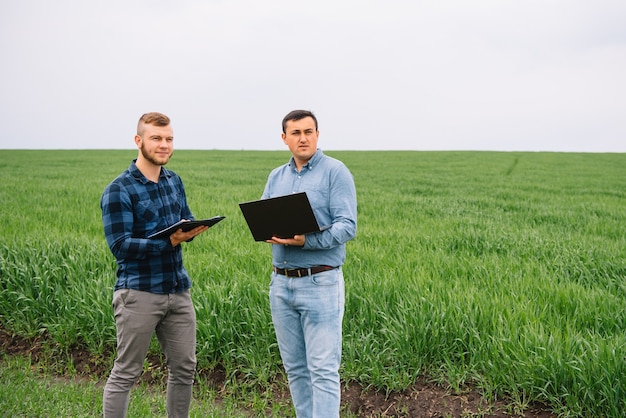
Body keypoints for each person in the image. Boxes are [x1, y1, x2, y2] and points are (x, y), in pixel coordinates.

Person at [100, 112, 208, 418]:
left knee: (185, 367)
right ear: (139, 141)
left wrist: (190, 230)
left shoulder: (174, 181)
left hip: (177, 288)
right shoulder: (120, 189)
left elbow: (182, 220)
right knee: (127, 371)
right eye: (156, 138)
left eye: (169, 139)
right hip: (139, 292)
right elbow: (120, 246)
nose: (164, 145)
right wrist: (170, 241)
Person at [262, 110, 357, 418]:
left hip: (321, 282)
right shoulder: (277, 176)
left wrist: (307, 241)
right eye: (296, 133)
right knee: (296, 369)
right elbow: (265, 216)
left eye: (309, 131)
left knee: (323, 370)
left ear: (317, 134)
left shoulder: (335, 172)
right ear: (284, 138)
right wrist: (267, 231)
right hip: (281, 283)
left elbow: (347, 226)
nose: (303, 138)